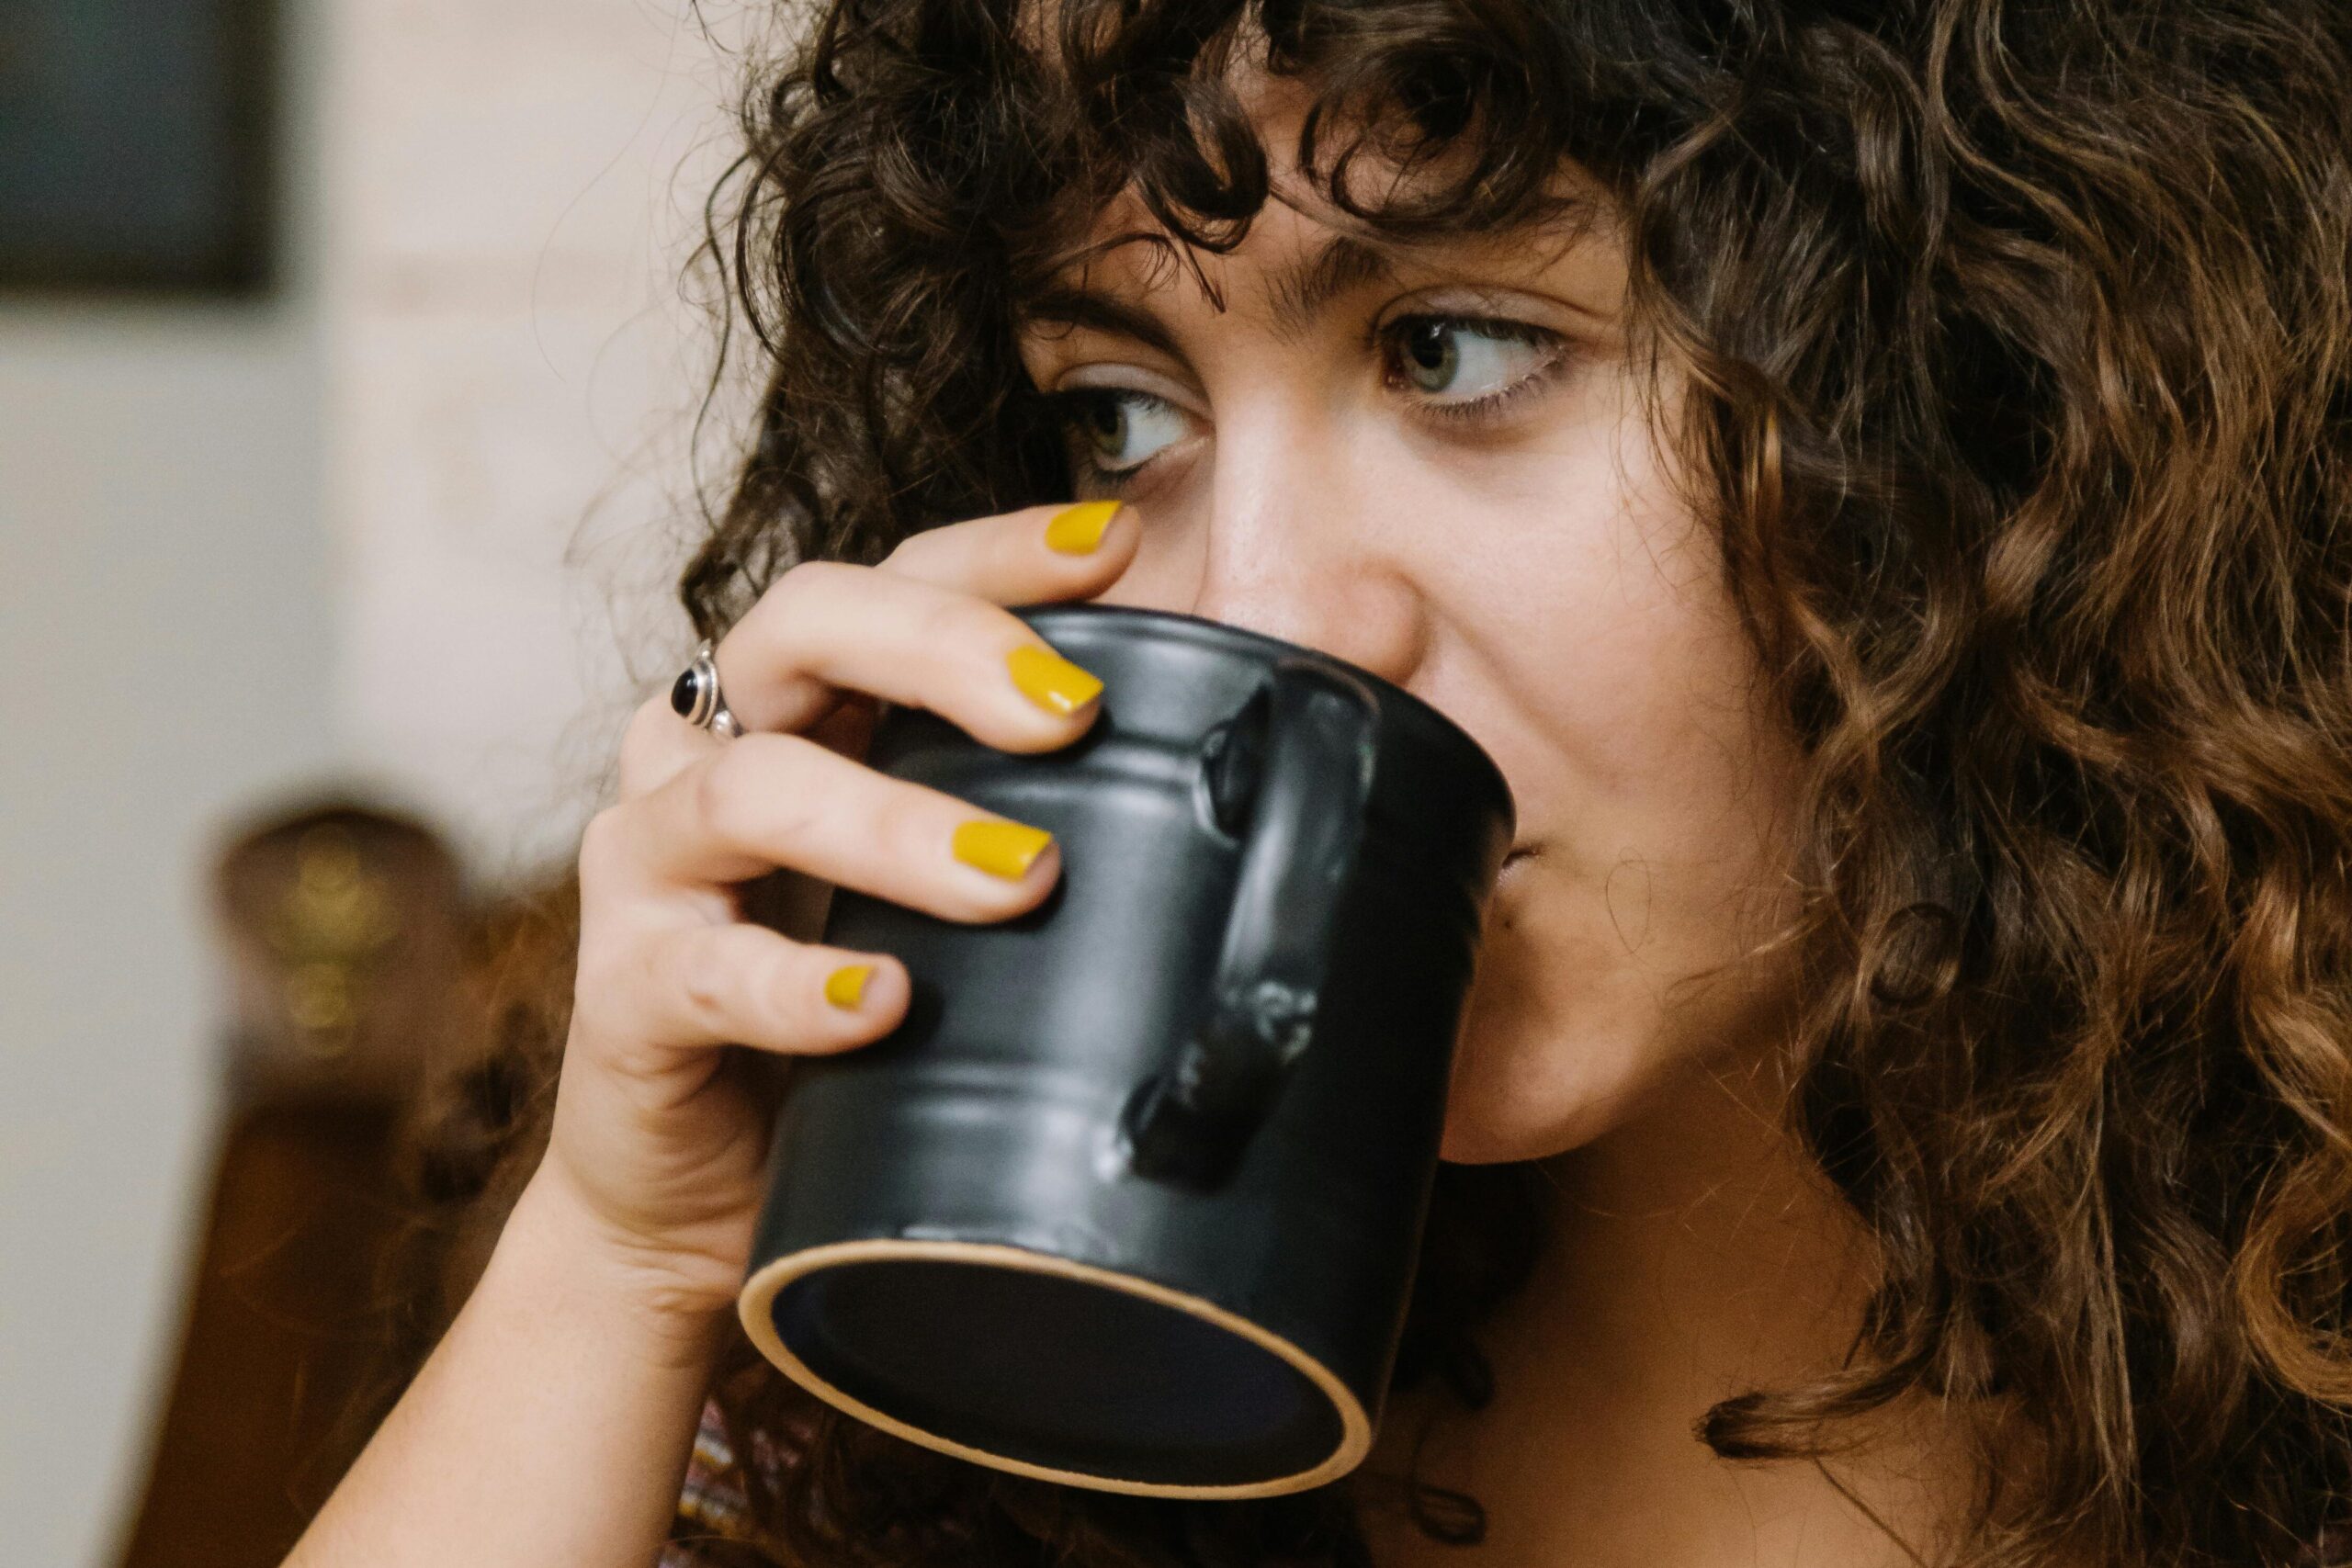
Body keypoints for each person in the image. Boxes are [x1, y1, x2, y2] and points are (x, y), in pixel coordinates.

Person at [280, 2, 2352, 1564]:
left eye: (1453, 349)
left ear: (1993, 404)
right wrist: (609, 1270)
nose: (1260, 606)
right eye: (1113, 411)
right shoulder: (898, 1425)